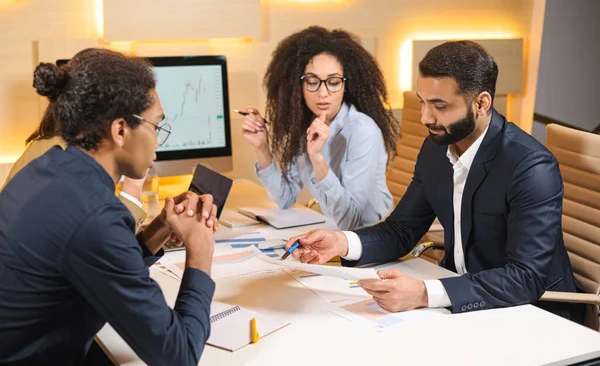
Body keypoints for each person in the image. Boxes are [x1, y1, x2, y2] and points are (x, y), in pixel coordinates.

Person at [285, 40, 585, 323]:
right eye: (422, 102)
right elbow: (402, 230)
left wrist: (424, 294)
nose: (425, 117)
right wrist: (342, 243)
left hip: (534, 312)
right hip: (466, 303)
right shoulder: (436, 148)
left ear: (481, 103)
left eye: (440, 106)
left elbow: (525, 278)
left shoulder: (530, 166)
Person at [0, 48, 218, 365]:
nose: (157, 141)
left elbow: (100, 262)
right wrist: (200, 251)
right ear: (119, 131)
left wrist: (161, 228)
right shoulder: (94, 214)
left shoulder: (48, 169)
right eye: (156, 126)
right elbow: (179, 355)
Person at [240, 26, 400, 230]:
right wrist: (262, 149)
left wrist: (317, 159)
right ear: (297, 86)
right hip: (335, 235)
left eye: (333, 82)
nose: (323, 93)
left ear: (346, 84)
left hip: (374, 237)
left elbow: (351, 221)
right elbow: (285, 198)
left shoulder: (363, 131)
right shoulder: (305, 126)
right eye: (312, 82)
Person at [1, 94, 147, 229]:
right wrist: (132, 189)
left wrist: (161, 226)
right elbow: (107, 242)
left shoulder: (54, 145)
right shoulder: (68, 157)